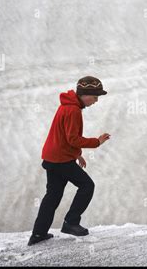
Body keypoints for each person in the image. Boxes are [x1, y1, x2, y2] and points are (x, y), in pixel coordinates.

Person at [28, 76, 110, 246]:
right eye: (94, 97)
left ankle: (38, 234)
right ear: (84, 94)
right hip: (60, 160)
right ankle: (71, 223)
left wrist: (76, 154)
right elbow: (73, 139)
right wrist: (97, 142)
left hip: (53, 157)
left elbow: (64, 137)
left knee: (52, 196)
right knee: (87, 186)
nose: (96, 101)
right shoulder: (73, 110)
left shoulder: (67, 106)